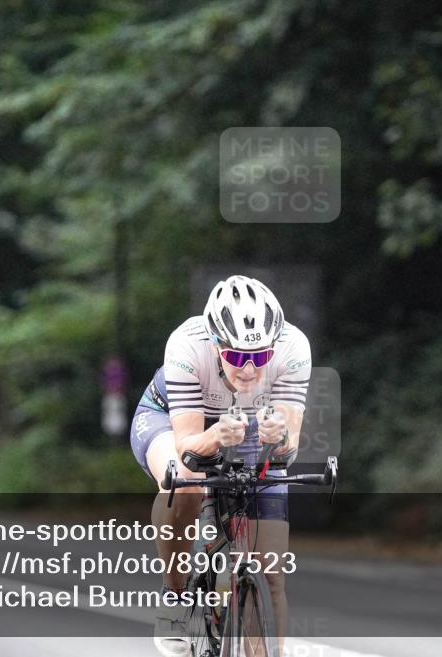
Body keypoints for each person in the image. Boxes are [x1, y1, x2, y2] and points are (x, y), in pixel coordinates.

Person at [130, 275, 311, 657]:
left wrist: (279, 436)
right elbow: (188, 445)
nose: (249, 369)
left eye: (260, 356)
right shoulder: (186, 345)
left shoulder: (294, 348)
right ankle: (175, 596)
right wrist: (215, 438)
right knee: (185, 481)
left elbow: (288, 445)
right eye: (235, 357)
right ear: (215, 345)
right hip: (172, 420)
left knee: (272, 576)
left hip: (247, 430)